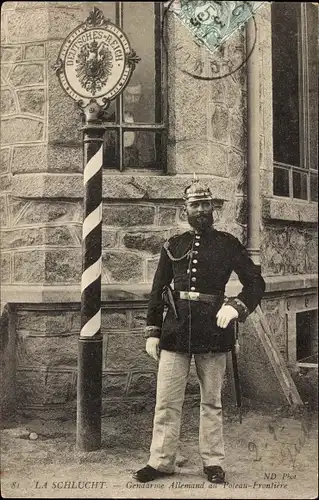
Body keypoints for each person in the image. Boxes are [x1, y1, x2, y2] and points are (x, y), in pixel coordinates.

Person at [133, 177, 266, 484]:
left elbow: (255, 282)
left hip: (213, 332)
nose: (201, 210)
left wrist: (235, 307)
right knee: (166, 400)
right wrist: (152, 331)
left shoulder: (228, 244)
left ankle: (213, 462)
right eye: (195, 205)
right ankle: (161, 460)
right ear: (186, 209)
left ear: (213, 208)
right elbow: (157, 291)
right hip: (175, 331)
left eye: (206, 204)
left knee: (212, 401)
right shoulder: (173, 245)